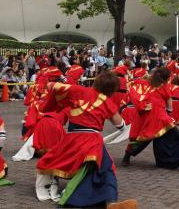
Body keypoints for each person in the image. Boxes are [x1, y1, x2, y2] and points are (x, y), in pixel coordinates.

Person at [35, 71, 125, 207]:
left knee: (54, 160)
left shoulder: (78, 90)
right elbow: (120, 124)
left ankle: (106, 200)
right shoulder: (107, 102)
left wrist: (56, 100)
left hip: (72, 138)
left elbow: (52, 85)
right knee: (106, 168)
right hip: (92, 140)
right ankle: (105, 200)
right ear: (112, 89)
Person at [122, 67, 179, 174]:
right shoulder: (163, 86)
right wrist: (169, 115)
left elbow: (132, 86)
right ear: (166, 78)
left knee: (140, 140)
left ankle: (126, 157)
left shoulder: (144, 84)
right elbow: (169, 104)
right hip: (160, 116)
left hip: (145, 115)